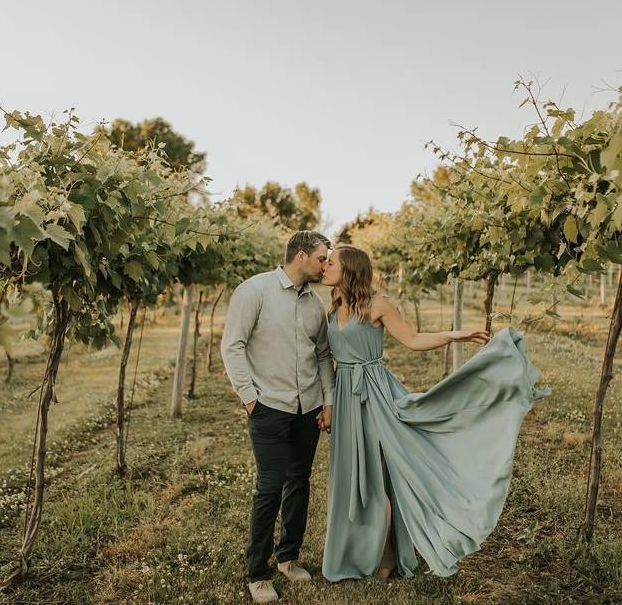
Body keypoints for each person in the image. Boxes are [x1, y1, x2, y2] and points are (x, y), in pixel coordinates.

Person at [319, 245, 550, 582]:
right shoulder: (333, 306)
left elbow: (412, 339)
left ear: (350, 268)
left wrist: (455, 335)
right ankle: (372, 554)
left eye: (331, 262)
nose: (325, 266)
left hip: (375, 396)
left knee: (374, 481)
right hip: (346, 398)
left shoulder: (376, 303)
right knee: (355, 479)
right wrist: (328, 405)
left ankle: (386, 559)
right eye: (325, 262)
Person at [220, 230, 336, 604]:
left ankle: (288, 557)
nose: (326, 265)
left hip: (308, 409)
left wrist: (328, 401)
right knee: (269, 487)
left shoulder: (315, 303)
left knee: (299, 482)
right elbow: (232, 346)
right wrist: (250, 399)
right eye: (322, 258)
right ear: (301, 255)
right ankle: (258, 573)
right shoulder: (254, 291)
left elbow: (321, 355)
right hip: (268, 406)